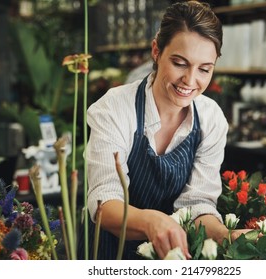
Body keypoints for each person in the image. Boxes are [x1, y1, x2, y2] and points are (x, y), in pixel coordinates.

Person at [84, 0, 249, 260]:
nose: (190, 80)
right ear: (156, 51)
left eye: (205, 69)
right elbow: (105, 203)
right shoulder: (114, 108)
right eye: (180, 63)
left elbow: (197, 206)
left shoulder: (211, 119)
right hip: (109, 255)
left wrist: (224, 235)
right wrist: (151, 222)